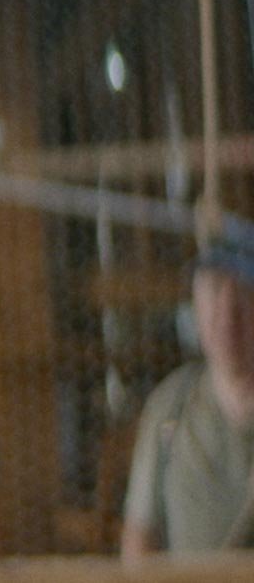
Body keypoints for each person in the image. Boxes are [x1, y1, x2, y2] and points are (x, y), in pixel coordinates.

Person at [121, 239, 254, 558]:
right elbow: (139, 538)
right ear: (195, 308)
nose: (228, 315)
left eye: (243, 295)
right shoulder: (171, 407)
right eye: (213, 293)